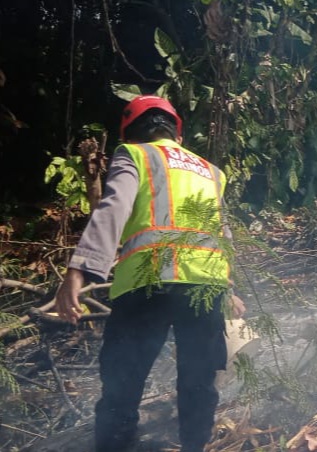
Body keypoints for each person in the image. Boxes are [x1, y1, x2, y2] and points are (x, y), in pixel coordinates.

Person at [55, 95, 243, 452]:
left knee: (122, 387)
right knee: (199, 383)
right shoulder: (211, 171)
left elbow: (114, 208)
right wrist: (229, 288)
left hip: (147, 283)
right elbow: (223, 232)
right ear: (178, 134)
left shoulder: (135, 154)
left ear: (132, 133)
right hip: (206, 287)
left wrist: (79, 270)